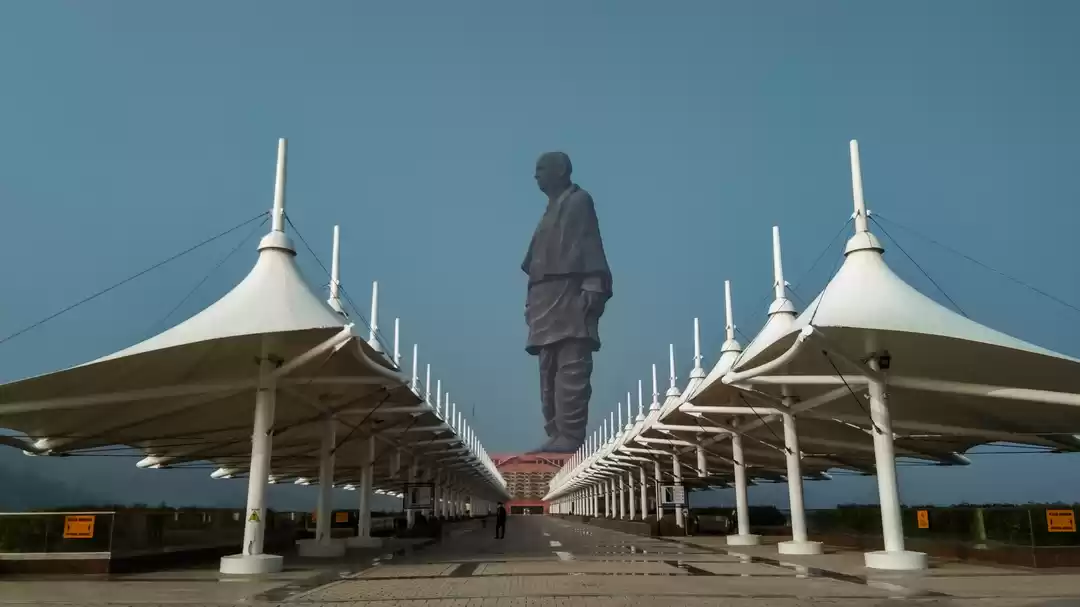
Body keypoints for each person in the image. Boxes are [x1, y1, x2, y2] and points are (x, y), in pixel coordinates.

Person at [522, 152, 613, 453]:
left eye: (541, 168)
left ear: (560, 170)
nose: (536, 175)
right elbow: (534, 261)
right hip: (544, 297)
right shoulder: (549, 211)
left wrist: (593, 284)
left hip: (570, 293)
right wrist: (530, 301)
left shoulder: (579, 201)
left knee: (572, 364)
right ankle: (555, 432)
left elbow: (590, 243)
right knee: (547, 369)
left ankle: (571, 434)